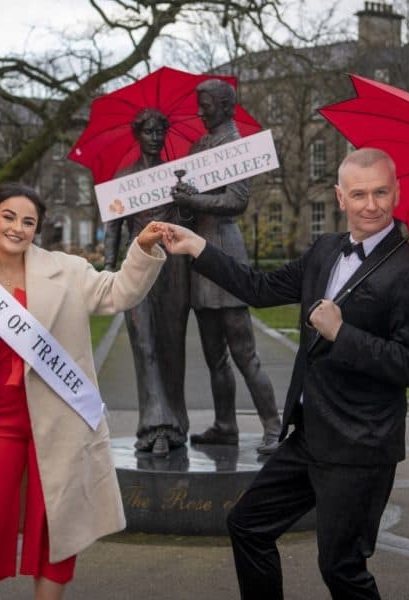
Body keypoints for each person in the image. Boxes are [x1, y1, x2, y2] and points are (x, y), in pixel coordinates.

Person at [162, 148, 409, 599]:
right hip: (311, 435)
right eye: (359, 194)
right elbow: (259, 287)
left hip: (360, 446)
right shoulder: (326, 250)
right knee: (248, 527)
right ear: (340, 197)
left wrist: (342, 333)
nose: (371, 204)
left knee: (341, 569)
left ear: (397, 191)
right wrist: (197, 247)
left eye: (380, 192)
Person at [0, 182, 167, 600]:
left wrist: (142, 250)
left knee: (55, 522)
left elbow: (118, 292)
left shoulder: (67, 270)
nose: (17, 228)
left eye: (28, 222)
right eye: (8, 217)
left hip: (61, 418)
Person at [170, 78, 282, 454]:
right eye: (199, 104)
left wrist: (195, 200)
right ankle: (225, 424)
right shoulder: (200, 145)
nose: (200, 111)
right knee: (213, 353)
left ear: (225, 105)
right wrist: (184, 202)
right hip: (199, 254)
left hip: (225, 252)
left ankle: (273, 426)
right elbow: (195, 206)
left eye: (206, 105)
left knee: (243, 352)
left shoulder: (234, 144)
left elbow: (236, 201)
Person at [103, 108, 191, 456]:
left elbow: (189, 221)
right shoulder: (124, 179)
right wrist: (109, 270)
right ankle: (154, 427)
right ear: (138, 135)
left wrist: (186, 198)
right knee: (145, 346)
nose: (155, 137)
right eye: (149, 131)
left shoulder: (177, 176)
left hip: (174, 270)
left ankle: (177, 425)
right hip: (135, 268)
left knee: (172, 347)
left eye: (160, 131)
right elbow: (113, 228)